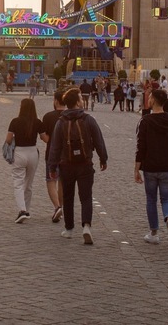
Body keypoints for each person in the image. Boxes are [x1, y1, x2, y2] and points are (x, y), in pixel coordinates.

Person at [47, 87, 108, 244]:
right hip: (85, 164)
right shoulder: (88, 120)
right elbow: (99, 140)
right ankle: (86, 226)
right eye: (80, 98)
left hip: (66, 165)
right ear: (77, 102)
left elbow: (55, 147)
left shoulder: (61, 122)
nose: (82, 101)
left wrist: (52, 168)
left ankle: (68, 229)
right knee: (86, 196)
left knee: (68, 197)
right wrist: (103, 158)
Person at [135, 88, 168, 246]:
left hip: (151, 167)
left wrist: (136, 169)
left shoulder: (146, 121)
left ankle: (154, 232)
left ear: (153, 100)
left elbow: (141, 147)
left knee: (151, 199)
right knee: (167, 198)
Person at [4, 98, 44, 223]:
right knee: (29, 184)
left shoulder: (15, 121)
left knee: (18, 182)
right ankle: (26, 208)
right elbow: (44, 138)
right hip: (33, 152)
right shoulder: (37, 122)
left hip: (20, 152)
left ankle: (22, 210)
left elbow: (9, 139)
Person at [41, 88, 67, 223]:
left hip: (51, 153)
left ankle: (57, 207)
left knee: (51, 181)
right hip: (67, 155)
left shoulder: (48, 116)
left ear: (56, 101)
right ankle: (61, 207)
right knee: (62, 182)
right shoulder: (69, 116)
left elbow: (45, 138)